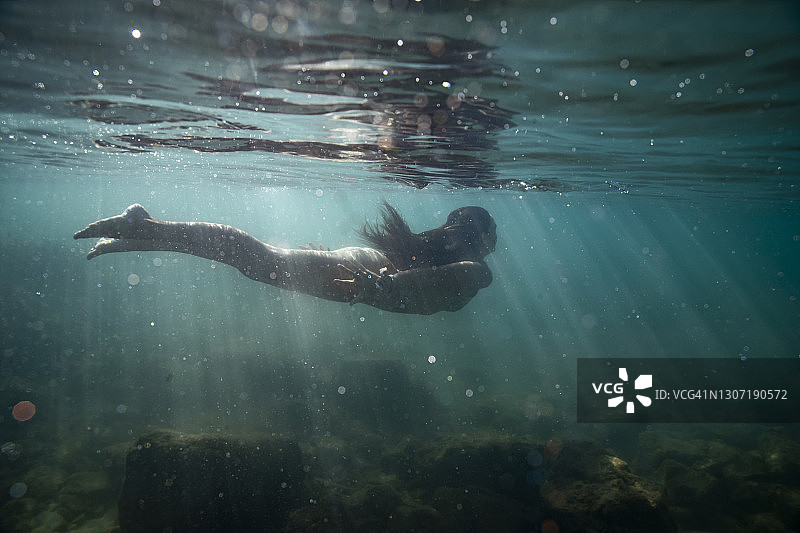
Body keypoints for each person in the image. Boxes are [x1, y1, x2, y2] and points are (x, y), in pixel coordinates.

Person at [74, 202, 496, 315]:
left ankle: (149, 233)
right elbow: (447, 280)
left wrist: (381, 285)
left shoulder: (451, 262)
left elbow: (433, 282)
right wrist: (383, 286)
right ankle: (147, 229)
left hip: (366, 278)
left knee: (258, 263)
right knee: (258, 260)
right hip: (366, 278)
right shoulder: (477, 271)